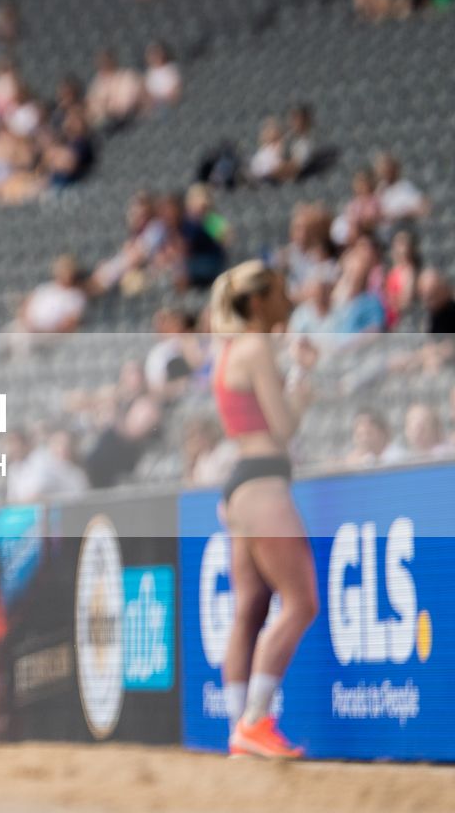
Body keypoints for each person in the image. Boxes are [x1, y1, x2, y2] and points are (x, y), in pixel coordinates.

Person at [206, 262, 316, 759]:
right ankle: (254, 721)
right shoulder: (254, 348)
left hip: (240, 487)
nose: (286, 299)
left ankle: (239, 729)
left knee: (250, 609)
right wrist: (303, 379)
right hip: (264, 483)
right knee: (301, 602)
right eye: (277, 293)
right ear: (256, 303)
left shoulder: (230, 348)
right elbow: (285, 426)